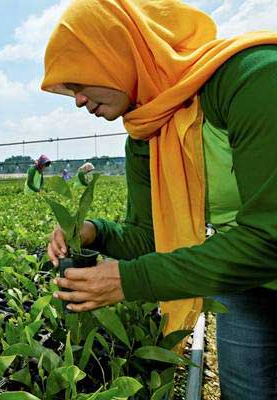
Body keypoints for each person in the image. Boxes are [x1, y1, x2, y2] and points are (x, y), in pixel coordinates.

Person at [41, 1, 277, 398]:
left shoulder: (253, 79)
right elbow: (149, 240)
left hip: (255, 255)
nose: (78, 100)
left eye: (78, 82)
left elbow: (271, 237)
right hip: (242, 275)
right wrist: (93, 232)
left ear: (118, 48)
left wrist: (129, 280)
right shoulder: (145, 136)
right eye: (70, 92)